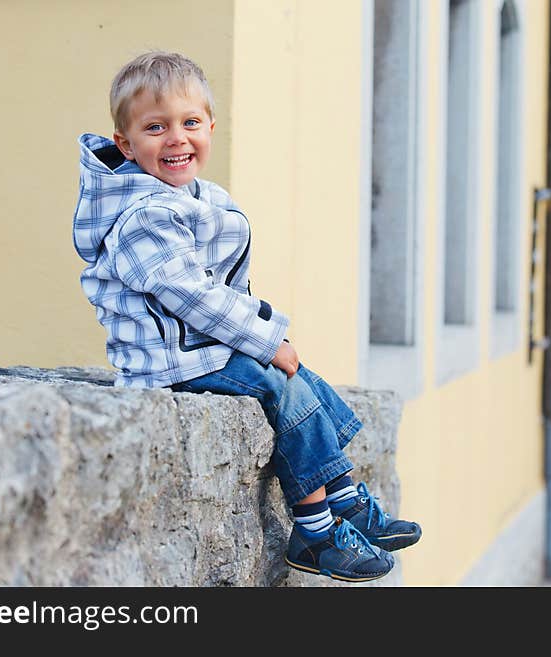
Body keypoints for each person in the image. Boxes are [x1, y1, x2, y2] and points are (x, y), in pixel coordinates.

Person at [73, 51, 421, 582]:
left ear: (211, 127)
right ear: (125, 143)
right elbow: (194, 297)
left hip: (197, 348)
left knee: (301, 379)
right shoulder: (142, 216)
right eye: (155, 127)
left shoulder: (195, 197)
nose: (176, 138)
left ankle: (346, 499)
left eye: (190, 123)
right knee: (284, 385)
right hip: (167, 362)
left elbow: (216, 290)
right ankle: (316, 530)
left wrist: (266, 341)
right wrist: (265, 338)